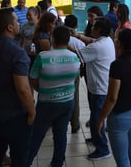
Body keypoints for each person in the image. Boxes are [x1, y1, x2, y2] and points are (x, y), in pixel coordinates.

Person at [0, 7, 35, 167]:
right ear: (9, 27)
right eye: (16, 21)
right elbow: (23, 89)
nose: (19, 23)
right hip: (14, 115)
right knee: (20, 156)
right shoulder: (17, 53)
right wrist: (32, 111)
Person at [27, 26, 80, 167]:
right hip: (68, 102)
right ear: (68, 40)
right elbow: (73, 78)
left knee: (36, 136)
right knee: (61, 134)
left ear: (53, 39)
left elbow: (32, 79)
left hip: (47, 103)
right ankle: (57, 163)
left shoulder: (43, 57)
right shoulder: (74, 58)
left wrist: (43, 89)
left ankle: (25, 162)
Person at [96, 28, 131, 167]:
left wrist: (101, 119)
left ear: (121, 43)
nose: (115, 40)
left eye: (117, 38)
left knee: (122, 159)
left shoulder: (117, 64)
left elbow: (112, 97)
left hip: (119, 116)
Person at [76, 17, 115, 161]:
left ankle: (102, 149)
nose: (91, 29)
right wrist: (78, 36)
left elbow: (78, 55)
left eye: (93, 27)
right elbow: (91, 41)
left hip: (99, 88)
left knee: (96, 118)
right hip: (98, 86)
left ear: (98, 30)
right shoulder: (106, 40)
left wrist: (64, 44)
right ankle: (95, 137)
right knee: (95, 115)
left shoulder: (98, 47)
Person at [64, 14, 86, 133]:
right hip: (74, 71)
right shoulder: (79, 42)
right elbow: (83, 59)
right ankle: (75, 123)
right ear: (76, 25)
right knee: (75, 96)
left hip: (59, 70)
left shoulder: (59, 37)